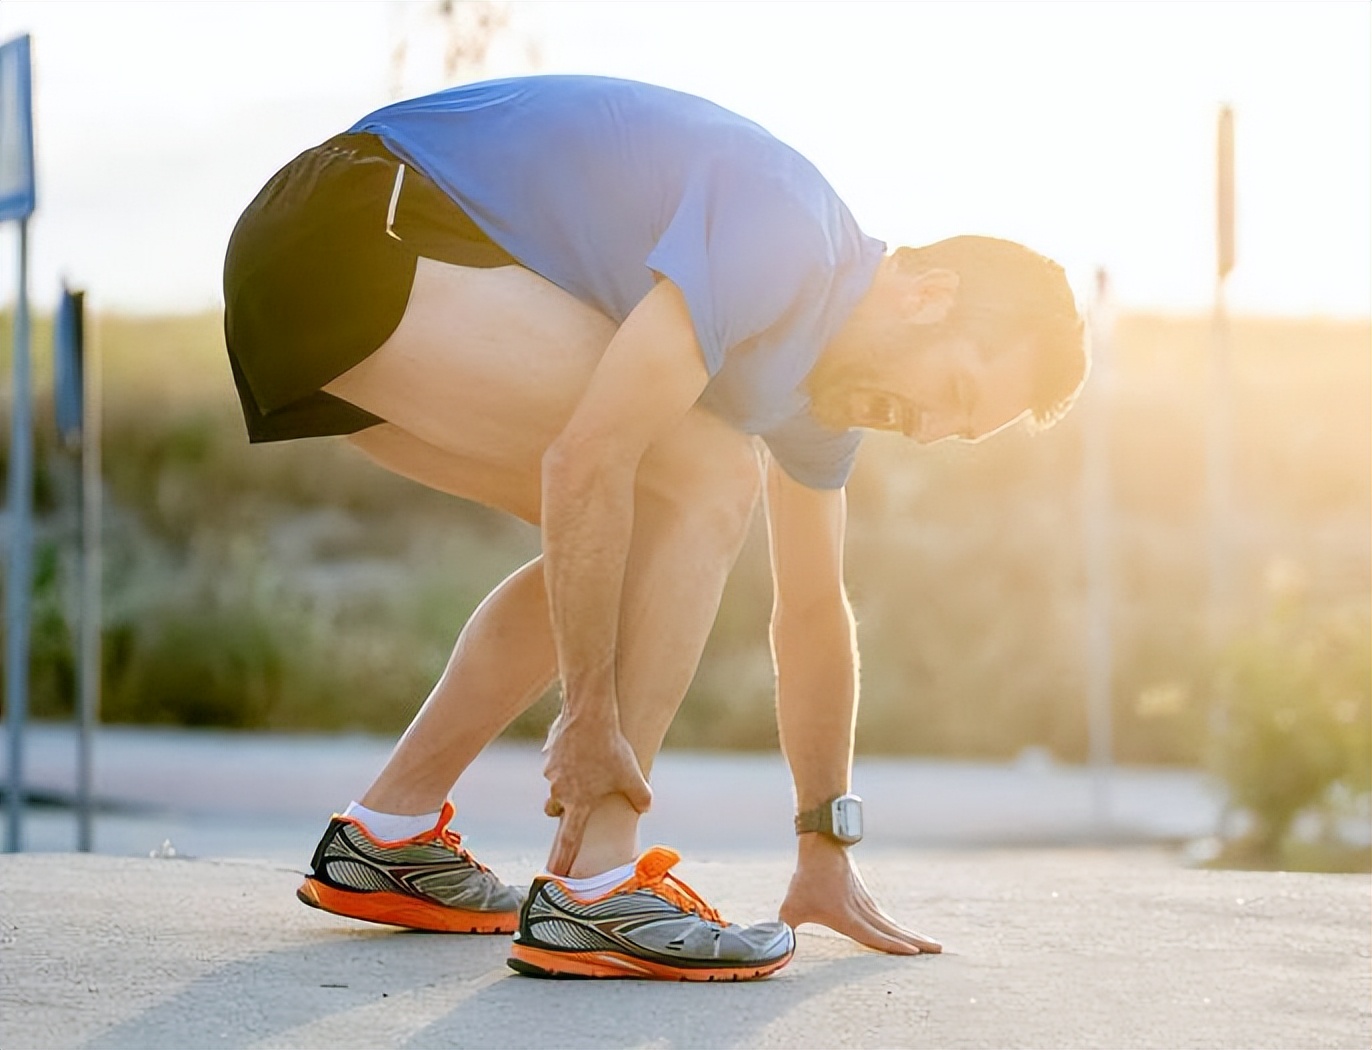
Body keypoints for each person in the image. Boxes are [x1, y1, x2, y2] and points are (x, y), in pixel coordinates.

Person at [223, 74, 1086, 982]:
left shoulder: (816, 398)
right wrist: (590, 718)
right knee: (705, 473)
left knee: (639, 536)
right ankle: (599, 885)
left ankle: (388, 831)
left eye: (958, 430)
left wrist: (824, 844)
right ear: (927, 295)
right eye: (951, 394)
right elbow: (585, 460)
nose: (928, 429)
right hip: (351, 228)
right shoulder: (790, 235)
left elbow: (813, 614)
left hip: (322, 284)